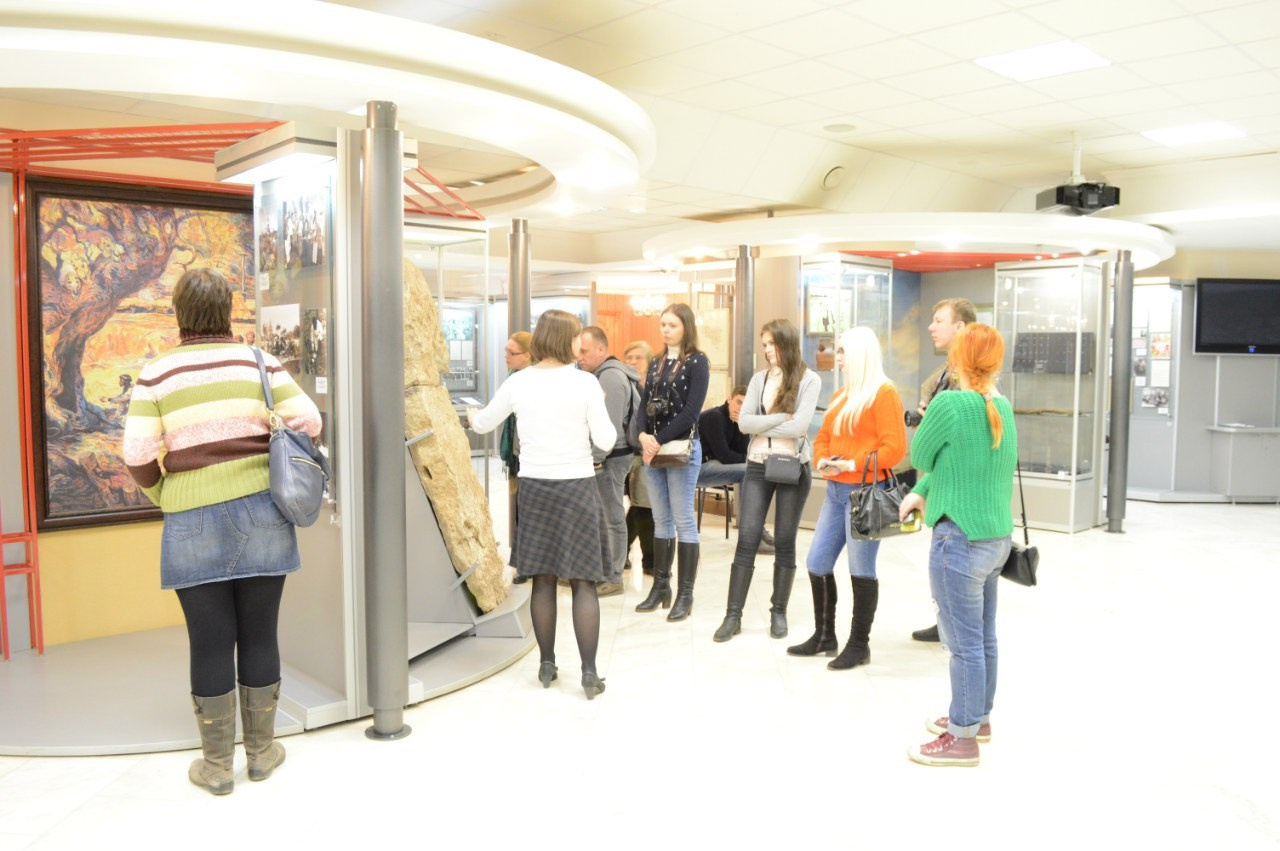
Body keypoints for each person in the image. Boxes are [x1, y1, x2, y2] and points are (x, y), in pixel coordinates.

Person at [122, 268, 322, 796]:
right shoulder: (259, 361)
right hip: (264, 511)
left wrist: (164, 493)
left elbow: (136, 454)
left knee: (209, 643)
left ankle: (216, 767)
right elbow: (310, 422)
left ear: (179, 312)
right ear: (228, 310)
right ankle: (261, 754)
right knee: (260, 633)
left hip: (190, 518)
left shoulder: (157, 374)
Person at [467, 310, 615, 700]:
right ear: (568, 339)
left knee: (543, 580)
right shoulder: (585, 383)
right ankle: (589, 673)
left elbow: (483, 423)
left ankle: (546, 664)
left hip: (535, 489)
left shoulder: (519, 382)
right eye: (577, 337)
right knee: (584, 582)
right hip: (578, 488)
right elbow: (607, 439)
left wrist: (471, 415)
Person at [899, 324, 1016, 767]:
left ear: (958, 360)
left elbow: (921, 456)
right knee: (982, 637)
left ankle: (962, 738)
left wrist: (928, 420)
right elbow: (963, 464)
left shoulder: (948, 404)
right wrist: (923, 490)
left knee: (962, 645)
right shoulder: (1002, 407)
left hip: (959, 539)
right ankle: (977, 719)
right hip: (995, 539)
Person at [790, 326, 906, 670]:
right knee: (817, 562)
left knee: (861, 568)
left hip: (866, 493)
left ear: (859, 354)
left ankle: (859, 646)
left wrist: (852, 463)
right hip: (836, 490)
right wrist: (823, 458)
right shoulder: (841, 395)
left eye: (842, 351)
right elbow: (823, 436)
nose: (836, 357)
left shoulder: (884, 394)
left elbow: (895, 449)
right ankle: (824, 637)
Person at [713, 319, 820, 642]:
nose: (768, 350)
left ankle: (778, 612)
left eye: (773, 344)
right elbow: (744, 424)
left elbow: (799, 428)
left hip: (792, 465)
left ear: (787, 343)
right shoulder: (759, 379)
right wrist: (779, 419)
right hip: (759, 463)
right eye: (765, 345)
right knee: (747, 538)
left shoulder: (809, 380)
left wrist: (765, 423)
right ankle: (733, 615)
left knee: (785, 540)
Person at [633, 303, 709, 621]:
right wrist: (642, 436)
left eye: (672, 325)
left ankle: (685, 594)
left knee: (683, 519)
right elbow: (643, 405)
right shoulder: (656, 362)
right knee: (660, 519)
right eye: (663, 324)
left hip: (681, 449)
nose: (666, 330)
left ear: (686, 327)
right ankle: (660, 587)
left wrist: (657, 439)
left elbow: (691, 413)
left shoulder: (697, 362)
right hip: (653, 449)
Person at [910, 297, 977, 643]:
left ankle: (954, 628)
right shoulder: (943, 374)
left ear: (960, 327)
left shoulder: (970, 377)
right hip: (942, 480)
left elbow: (958, 436)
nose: (931, 327)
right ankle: (947, 622)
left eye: (939, 321)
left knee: (959, 562)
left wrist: (929, 423)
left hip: (959, 486)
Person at [577, 325, 641, 598]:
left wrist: (595, 459)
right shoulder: (603, 375)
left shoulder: (610, 378)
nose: (579, 357)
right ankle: (606, 571)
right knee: (605, 517)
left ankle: (614, 577)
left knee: (612, 518)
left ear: (601, 349)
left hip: (611, 458)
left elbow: (609, 428)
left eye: (584, 351)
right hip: (610, 456)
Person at [698, 387, 777, 554]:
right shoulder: (714, 417)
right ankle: (751, 537)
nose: (740, 408)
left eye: (745, 405)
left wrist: (742, 427)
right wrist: (750, 459)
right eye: (738, 402)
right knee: (750, 470)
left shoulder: (737, 421)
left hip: (715, 465)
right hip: (698, 469)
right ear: (729, 399)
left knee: (751, 469)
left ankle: (757, 530)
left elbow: (741, 452)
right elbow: (725, 456)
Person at [500, 331, 533, 582]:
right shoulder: (514, 378)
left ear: (528, 355)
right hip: (519, 454)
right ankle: (522, 563)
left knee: (529, 512)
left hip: (532, 455)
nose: (506, 356)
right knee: (522, 511)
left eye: (512, 352)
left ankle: (527, 564)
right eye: (506, 351)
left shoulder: (531, 381)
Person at [622, 341, 655, 576]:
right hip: (630, 454)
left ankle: (623, 553)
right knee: (642, 506)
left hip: (647, 453)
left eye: (638, 357)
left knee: (641, 506)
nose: (632, 362)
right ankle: (650, 562)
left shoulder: (651, 388)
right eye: (629, 357)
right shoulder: (625, 385)